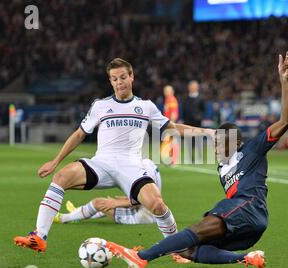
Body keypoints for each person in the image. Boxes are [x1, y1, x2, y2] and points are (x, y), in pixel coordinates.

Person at [103, 52, 288, 268]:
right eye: (215, 144)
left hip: (249, 208)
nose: (216, 148)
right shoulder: (222, 168)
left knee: (197, 229)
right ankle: (246, 258)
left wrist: (284, 81)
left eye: (221, 143)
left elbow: (286, 121)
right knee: (187, 249)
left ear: (236, 141)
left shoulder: (252, 149)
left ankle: (141, 257)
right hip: (248, 225)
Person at [14, 58, 215, 252]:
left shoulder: (146, 106)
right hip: (101, 163)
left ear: (131, 77)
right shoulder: (100, 106)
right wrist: (56, 161)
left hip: (131, 167)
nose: (119, 82)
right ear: (110, 81)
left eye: (122, 77)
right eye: (114, 79)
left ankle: (178, 250)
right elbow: (79, 134)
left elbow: (172, 127)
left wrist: (207, 132)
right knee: (61, 177)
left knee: (158, 205)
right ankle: (39, 237)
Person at [54, 158, 160, 225]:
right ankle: (77, 213)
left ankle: (64, 218)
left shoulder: (142, 166)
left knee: (98, 203)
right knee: (107, 204)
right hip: (146, 211)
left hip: (142, 217)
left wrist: (117, 203)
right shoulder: (148, 164)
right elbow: (150, 195)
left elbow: (145, 200)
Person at [181, 80, 206, 163]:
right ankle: (190, 157)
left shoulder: (201, 98)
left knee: (198, 139)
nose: (191, 88)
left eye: (193, 86)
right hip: (187, 122)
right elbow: (184, 109)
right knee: (188, 140)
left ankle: (199, 157)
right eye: (190, 86)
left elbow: (203, 109)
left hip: (197, 122)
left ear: (197, 88)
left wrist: (199, 117)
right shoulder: (186, 98)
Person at [160, 85, 180, 165]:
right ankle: (171, 159)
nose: (166, 92)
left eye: (167, 91)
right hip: (168, 123)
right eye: (165, 91)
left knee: (171, 140)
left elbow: (173, 114)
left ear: (172, 92)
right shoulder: (168, 100)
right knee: (170, 140)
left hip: (170, 124)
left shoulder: (171, 100)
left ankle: (173, 159)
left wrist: (171, 124)